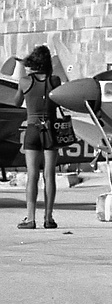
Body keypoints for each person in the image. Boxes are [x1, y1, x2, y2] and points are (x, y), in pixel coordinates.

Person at [9, 45, 62, 229]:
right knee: (50, 175)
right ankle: (48, 218)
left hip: (32, 130)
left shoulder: (25, 81)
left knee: (32, 175)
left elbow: (17, 102)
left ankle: (30, 218)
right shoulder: (55, 81)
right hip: (50, 131)